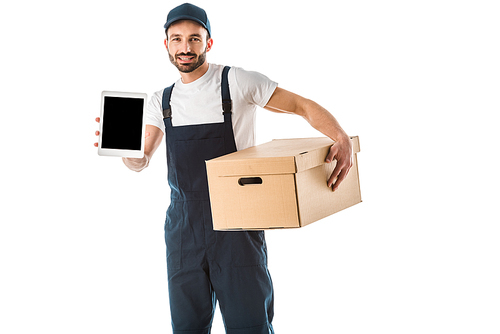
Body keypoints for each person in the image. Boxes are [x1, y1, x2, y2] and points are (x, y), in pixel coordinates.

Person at [95, 3, 353, 334]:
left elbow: (300, 105)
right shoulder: (162, 100)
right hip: (183, 231)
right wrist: (122, 150)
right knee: (187, 327)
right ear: (166, 45)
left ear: (208, 42)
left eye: (194, 39)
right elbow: (142, 158)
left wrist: (339, 135)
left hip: (237, 228)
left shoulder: (237, 82)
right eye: (176, 39)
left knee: (249, 326)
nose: (185, 48)